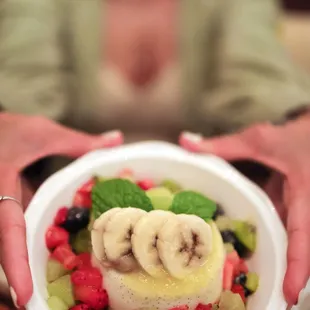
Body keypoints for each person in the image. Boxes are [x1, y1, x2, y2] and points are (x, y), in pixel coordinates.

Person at [0, 0, 310, 308]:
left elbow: (260, 75)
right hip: (55, 189)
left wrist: (299, 123)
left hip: (207, 187)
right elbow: (21, 80)